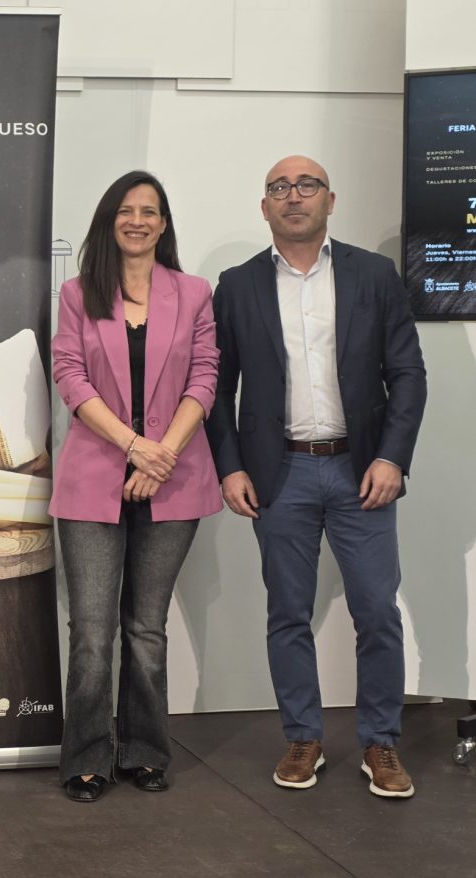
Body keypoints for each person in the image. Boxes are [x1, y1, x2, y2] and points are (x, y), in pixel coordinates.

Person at [205, 155, 427, 798]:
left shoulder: (374, 274)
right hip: (279, 475)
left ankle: (380, 742)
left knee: (377, 612)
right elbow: (216, 388)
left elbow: (407, 374)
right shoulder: (237, 285)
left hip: (364, 471)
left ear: (330, 199)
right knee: (287, 613)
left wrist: (393, 457)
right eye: (279, 187)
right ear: (264, 206)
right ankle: (302, 737)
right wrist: (230, 466)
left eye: (307, 185)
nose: (293, 196)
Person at [49, 171, 222, 802]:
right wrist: (133, 446)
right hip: (94, 475)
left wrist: (160, 456)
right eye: (126, 210)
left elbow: (205, 377)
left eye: (150, 211)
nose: (138, 221)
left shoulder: (194, 292)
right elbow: (70, 376)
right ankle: (87, 756)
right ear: (109, 220)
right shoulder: (78, 292)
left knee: (147, 629)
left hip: (173, 478)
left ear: (164, 223)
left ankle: (146, 750)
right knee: (92, 631)